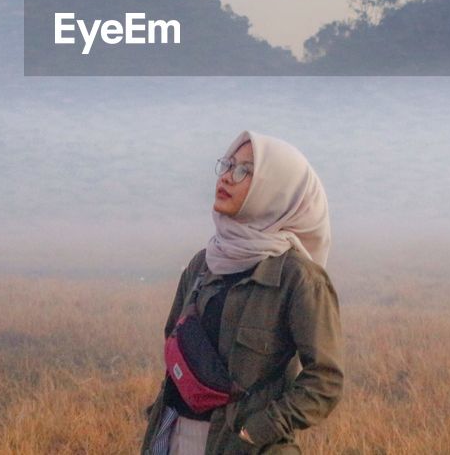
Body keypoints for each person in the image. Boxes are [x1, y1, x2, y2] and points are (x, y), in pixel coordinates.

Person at [140, 130, 343, 454]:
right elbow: (173, 337)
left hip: (243, 446)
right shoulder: (204, 262)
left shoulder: (299, 279)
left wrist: (260, 429)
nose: (227, 178)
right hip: (173, 434)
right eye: (228, 164)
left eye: (245, 170)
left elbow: (326, 380)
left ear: (276, 190)